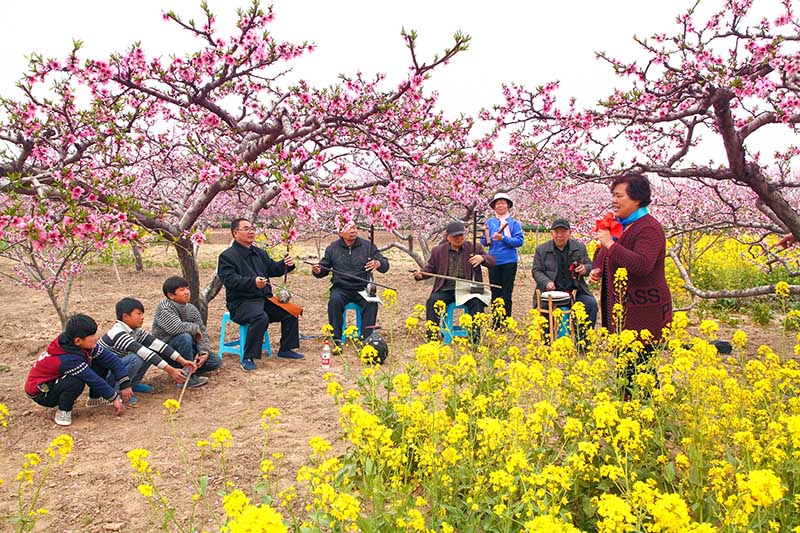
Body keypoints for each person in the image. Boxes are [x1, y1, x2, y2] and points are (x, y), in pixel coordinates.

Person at [589, 173, 672, 396]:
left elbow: (642, 264)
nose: (614, 201)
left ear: (637, 199)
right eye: (612, 195)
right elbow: (604, 251)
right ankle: (630, 411)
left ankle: (647, 415)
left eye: (619, 196)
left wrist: (610, 245)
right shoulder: (622, 226)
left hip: (644, 311)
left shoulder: (648, 228)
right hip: (624, 310)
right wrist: (597, 266)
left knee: (641, 368)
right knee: (626, 368)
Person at [218, 218, 304, 371]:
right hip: (241, 303)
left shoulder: (259, 253)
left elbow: (272, 269)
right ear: (235, 233)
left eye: (252, 228)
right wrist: (252, 282)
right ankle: (248, 357)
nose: (251, 231)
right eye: (246, 228)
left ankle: (285, 349)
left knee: (291, 311)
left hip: (263, 299)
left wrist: (285, 264)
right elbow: (230, 280)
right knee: (260, 317)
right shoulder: (227, 256)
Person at [24, 314, 134, 426]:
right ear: (77, 341)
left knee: (100, 361)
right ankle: (64, 412)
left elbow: (111, 359)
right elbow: (92, 379)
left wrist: (124, 384)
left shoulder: (80, 345)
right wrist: (114, 398)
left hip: (54, 382)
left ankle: (95, 399)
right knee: (75, 381)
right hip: (42, 394)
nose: (96, 337)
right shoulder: (67, 359)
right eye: (92, 335)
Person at [99, 298, 195, 402]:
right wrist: (171, 370)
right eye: (138, 314)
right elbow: (144, 352)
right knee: (136, 358)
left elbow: (158, 345)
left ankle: (132, 383)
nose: (142, 318)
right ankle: (116, 392)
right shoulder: (118, 333)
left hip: (117, 370)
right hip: (105, 375)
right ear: (125, 316)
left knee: (150, 350)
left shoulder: (135, 331)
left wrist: (183, 361)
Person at [414, 220, 496, 340]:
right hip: (446, 289)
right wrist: (420, 275)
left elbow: (492, 261)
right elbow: (430, 269)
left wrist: (482, 258)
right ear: (448, 237)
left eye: (461, 235)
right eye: (455, 236)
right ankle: (432, 337)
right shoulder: (438, 251)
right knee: (432, 301)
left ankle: (475, 339)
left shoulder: (474, 248)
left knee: (477, 302)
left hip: (468, 290)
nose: (459, 238)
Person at [312, 222, 390, 345]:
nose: (353, 230)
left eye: (354, 227)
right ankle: (336, 338)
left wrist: (378, 263)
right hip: (341, 288)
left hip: (363, 288)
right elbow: (323, 268)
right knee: (334, 301)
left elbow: (385, 264)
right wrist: (318, 270)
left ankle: (366, 339)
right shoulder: (333, 248)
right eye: (348, 228)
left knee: (371, 304)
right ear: (340, 232)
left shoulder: (367, 246)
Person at [151, 276, 222, 387]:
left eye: (187, 288)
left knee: (215, 362)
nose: (187, 292)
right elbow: (176, 328)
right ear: (171, 295)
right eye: (182, 290)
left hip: (186, 348)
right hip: (166, 349)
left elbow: (202, 330)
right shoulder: (165, 308)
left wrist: (204, 351)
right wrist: (195, 328)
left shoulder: (191, 309)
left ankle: (184, 369)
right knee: (184, 336)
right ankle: (187, 379)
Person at [532, 218, 598, 329]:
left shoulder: (579, 247)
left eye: (563, 232)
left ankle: (584, 340)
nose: (559, 235)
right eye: (556, 232)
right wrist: (547, 282)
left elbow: (589, 265)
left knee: (590, 304)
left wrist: (585, 269)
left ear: (570, 233)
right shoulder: (542, 250)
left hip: (576, 291)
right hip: (550, 293)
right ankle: (548, 342)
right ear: (551, 233)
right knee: (544, 310)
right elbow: (536, 271)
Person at [480, 192, 525, 320]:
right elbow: (484, 242)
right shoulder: (490, 222)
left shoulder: (513, 223)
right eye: (497, 203)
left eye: (503, 203)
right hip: (493, 261)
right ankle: (496, 321)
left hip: (509, 261)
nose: (500, 205)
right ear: (494, 207)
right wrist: (485, 235)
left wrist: (503, 238)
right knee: (495, 291)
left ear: (508, 206)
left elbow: (519, 241)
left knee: (506, 292)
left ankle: (506, 320)